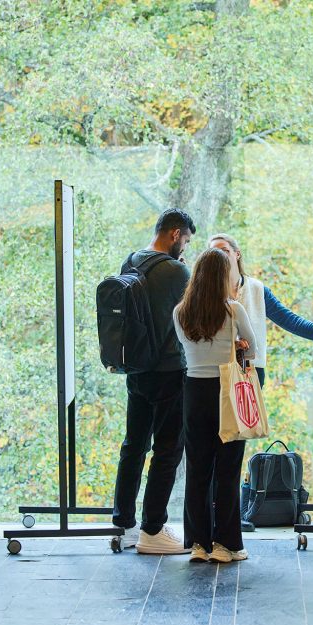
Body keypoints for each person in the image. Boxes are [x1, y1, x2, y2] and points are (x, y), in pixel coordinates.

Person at [112, 208, 194, 555]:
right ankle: (154, 528)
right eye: (186, 240)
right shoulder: (176, 271)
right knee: (168, 450)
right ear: (175, 234)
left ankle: (124, 524)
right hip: (169, 369)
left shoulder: (130, 262)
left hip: (137, 369)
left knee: (134, 445)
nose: (186, 248)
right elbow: (193, 317)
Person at [174, 248, 256, 562]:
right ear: (223, 277)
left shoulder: (180, 312)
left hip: (193, 391)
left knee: (197, 469)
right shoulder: (233, 310)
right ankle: (226, 545)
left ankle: (198, 543)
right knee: (227, 469)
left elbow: (191, 347)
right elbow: (252, 351)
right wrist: (237, 345)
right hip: (227, 391)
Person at [207, 233, 313, 386]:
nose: (220, 256)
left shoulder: (257, 289)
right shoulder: (207, 292)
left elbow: (287, 319)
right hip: (217, 368)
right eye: (215, 253)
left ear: (237, 254)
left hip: (251, 368)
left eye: (225, 251)